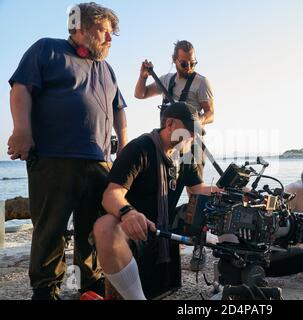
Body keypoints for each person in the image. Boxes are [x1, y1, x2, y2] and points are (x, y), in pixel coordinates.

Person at [7, 2, 127, 300]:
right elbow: (20, 88)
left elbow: (119, 110)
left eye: (112, 34)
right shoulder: (47, 49)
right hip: (52, 158)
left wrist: (123, 146)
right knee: (50, 229)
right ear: (81, 28)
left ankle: (90, 287)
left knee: (94, 228)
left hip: (99, 163)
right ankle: (46, 291)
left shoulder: (107, 69)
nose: (109, 40)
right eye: (104, 32)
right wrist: (22, 130)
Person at [93, 102, 221, 300]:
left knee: (225, 206)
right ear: (169, 124)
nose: (194, 137)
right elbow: (111, 195)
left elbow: (198, 189)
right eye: (190, 131)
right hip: (135, 226)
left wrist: (231, 190)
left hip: (166, 223)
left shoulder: (186, 156)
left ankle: (231, 281)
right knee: (104, 226)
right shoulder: (139, 149)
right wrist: (129, 213)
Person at [135, 40, 214, 271]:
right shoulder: (166, 80)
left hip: (190, 142)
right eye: (184, 62)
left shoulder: (201, 82)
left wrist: (193, 121)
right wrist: (143, 76)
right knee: (163, 190)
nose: (188, 66)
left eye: (192, 63)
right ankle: (161, 239)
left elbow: (211, 113)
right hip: (166, 142)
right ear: (174, 60)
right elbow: (140, 94)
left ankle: (198, 248)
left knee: (195, 195)